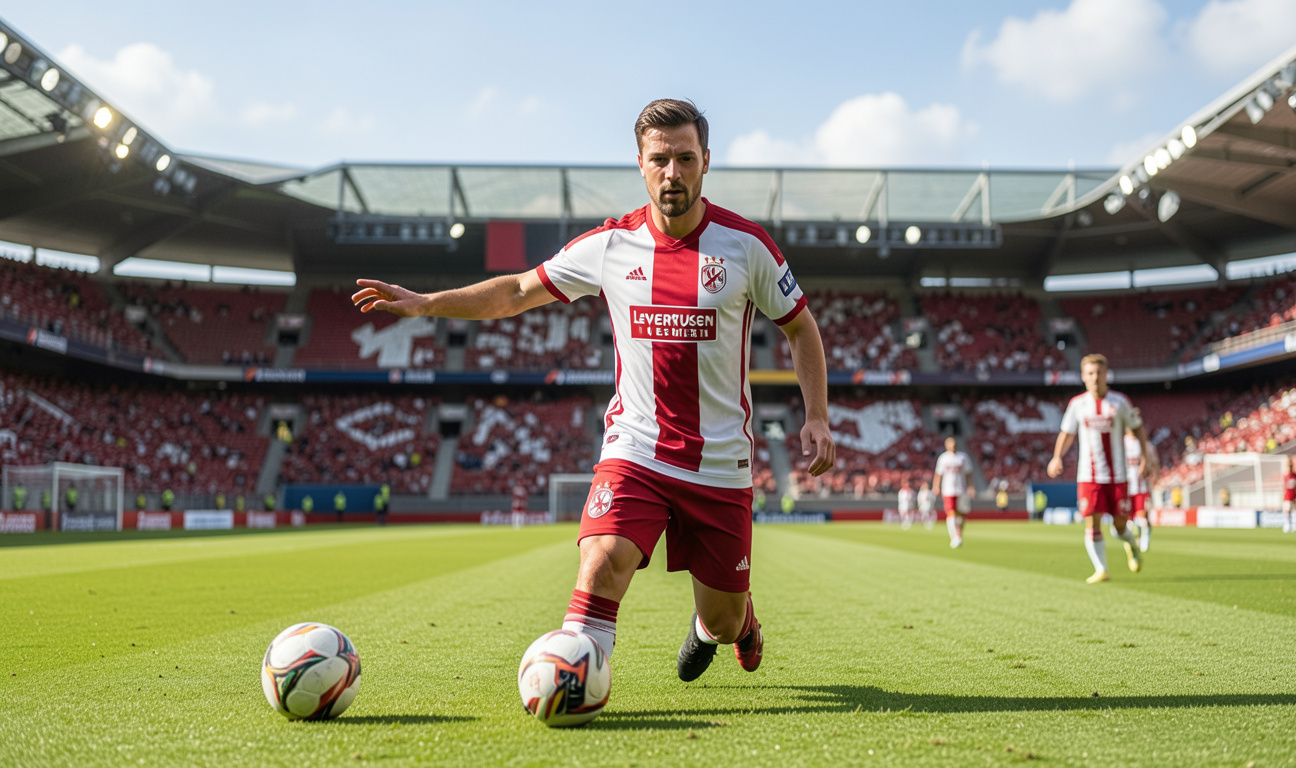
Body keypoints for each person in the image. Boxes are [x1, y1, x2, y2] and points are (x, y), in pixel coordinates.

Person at [353, 99, 835, 684]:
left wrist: (817, 415)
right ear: (640, 164)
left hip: (719, 464)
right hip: (636, 447)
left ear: (707, 161)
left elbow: (800, 325)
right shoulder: (611, 245)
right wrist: (429, 303)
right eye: (660, 159)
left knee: (725, 619)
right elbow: (514, 292)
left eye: (686, 158)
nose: (673, 173)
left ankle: (729, 625)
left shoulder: (746, 246)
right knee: (601, 561)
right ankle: (573, 681)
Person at [1048, 354, 1149, 583]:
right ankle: (1102, 569)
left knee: (1119, 525)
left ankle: (1131, 544)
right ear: (1083, 376)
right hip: (1088, 476)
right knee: (1091, 521)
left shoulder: (1120, 402)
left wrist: (1144, 457)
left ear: (1106, 375)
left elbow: (1137, 428)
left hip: (1118, 476)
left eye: (1099, 373)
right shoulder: (1077, 404)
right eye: (1090, 373)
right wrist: (1056, 457)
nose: (1095, 378)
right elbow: (1067, 433)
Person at [1124, 417, 1159, 552]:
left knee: (1142, 515)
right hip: (1126, 487)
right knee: (1129, 518)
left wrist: (1152, 473)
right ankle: (1135, 539)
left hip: (1142, 486)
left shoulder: (1146, 445)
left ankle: (1146, 535)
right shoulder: (1122, 444)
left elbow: (1154, 464)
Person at [932, 436, 973, 548]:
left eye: (954, 443)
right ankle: (954, 537)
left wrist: (971, 487)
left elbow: (969, 473)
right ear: (946, 445)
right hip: (948, 489)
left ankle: (959, 534)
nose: (952, 446)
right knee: (951, 512)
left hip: (961, 489)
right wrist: (936, 486)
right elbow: (938, 474)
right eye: (950, 444)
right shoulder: (943, 458)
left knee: (961, 514)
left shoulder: (963, 457)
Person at [1282, 458, 1296, 533]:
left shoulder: (1293, 475)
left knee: (1293, 510)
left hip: (1292, 494)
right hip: (1288, 494)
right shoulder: (1287, 475)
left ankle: (1293, 525)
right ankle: (1288, 525)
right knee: (1288, 510)